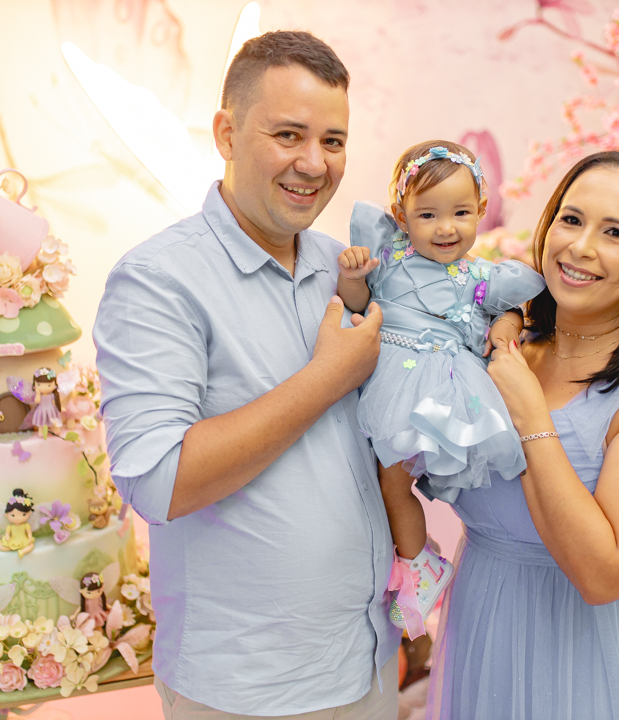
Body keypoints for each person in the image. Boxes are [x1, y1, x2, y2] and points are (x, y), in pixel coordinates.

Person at [94, 31, 399, 719]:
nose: (314, 164)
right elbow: (159, 482)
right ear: (227, 134)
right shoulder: (157, 280)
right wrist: (328, 377)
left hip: (367, 656)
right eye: (288, 134)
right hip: (247, 687)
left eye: (333, 141)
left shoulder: (343, 267)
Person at [427, 150, 619, 719]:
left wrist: (531, 416)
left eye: (615, 232)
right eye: (571, 219)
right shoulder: (505, 347)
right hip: (486, 623)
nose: (581, 247)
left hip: (594, 652)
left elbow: (602, 575)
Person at [337, 141, 544, 639]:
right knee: (372, 481)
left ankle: (418, 564)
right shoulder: (389, 256)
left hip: (435, 388)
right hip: (385, 379)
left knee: (394, 484)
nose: (445, 227)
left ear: (481, 209)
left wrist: (508, 323)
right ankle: (413, 558)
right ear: (401, 216)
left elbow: (510, 310)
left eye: (460, 213)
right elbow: (357, 304)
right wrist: (353, 276)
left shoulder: (480, 276)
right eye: (427, 215)